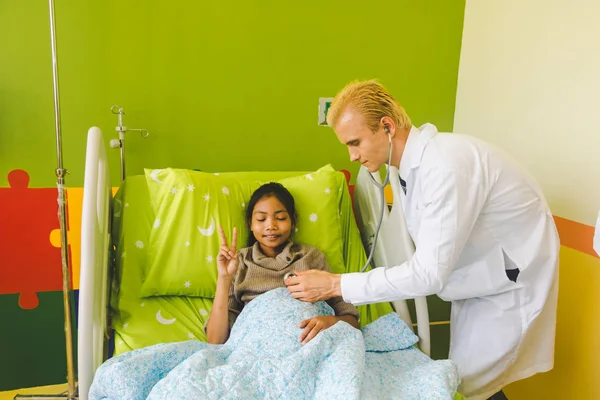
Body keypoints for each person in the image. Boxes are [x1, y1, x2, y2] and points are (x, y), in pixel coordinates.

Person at [285, 80, 559, 400]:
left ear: (386, 126)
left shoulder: (445, 165)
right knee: (460, 382)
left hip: (510, 290)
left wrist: (335, 285)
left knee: (464, 387)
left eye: (355, 142)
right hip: (479, 283)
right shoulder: (414, 167)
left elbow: (427, 273)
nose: (353, 155)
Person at [206, 182, 359, 345]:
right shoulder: (239, 263)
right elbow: (215, 341)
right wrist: (224, 278)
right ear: (250, 223)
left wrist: (331, 322)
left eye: (280, 218)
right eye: (261, 219)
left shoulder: (311, 257)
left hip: (309, 343)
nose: (271, 226)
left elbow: (352, 322)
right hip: (257, 346)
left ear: (293, 221)